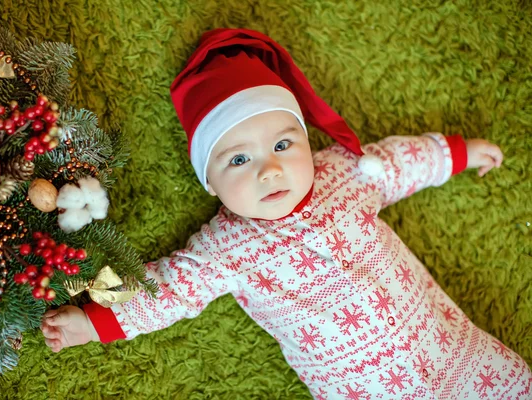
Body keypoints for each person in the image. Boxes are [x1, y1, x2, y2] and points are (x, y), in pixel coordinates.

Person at [41, 28, 531, 399]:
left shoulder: (342, 173)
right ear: (209, 182)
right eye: (238, 159)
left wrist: (456, 153)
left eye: (282, 144)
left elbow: (395, 164)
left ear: (306, 139)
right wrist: (93, 324)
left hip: (452, 350)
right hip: (361, 388)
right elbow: (167, 292)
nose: (270, 169)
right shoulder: (224, 248)